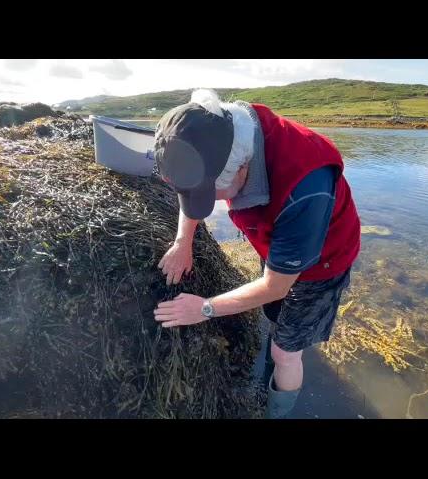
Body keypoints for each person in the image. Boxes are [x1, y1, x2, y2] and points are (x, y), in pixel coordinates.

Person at [152, 89, 361, 418]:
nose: (215, 203)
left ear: (241, 169)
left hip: (323, 261)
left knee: (286, 351)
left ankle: (276, 413)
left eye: (212, 193)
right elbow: (193, 186)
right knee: (274, 317)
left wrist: (205, 308)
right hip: (279, 240)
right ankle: (274, 361)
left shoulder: (305, 187)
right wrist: (183, 241)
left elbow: (275, 285)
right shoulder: (210, 131)